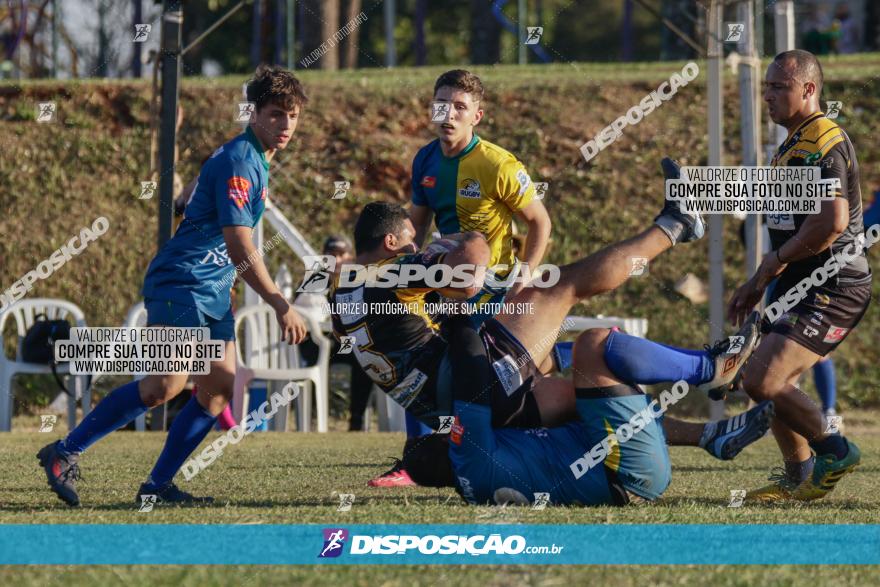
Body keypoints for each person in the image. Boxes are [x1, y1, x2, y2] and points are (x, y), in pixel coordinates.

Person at [329, 159, 771, 486]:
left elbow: (402, 327)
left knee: (594, 402)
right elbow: (466, 279)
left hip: (456, 405)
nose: (418, 250)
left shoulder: (340, 290)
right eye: (411, 244)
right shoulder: (390, 273)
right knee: (563, 288)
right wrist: (469, 238)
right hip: (472, 384)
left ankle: (709, 435)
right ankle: (676, 227)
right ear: (390, 243)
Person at [38, 66, 310, 507]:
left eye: (292, 116)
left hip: (210, 290)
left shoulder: (257, 160)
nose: (285, 125)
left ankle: (157, 486)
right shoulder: (241, 160)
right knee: (164, 385)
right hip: (180, 283)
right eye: (276, 114)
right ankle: (63, 452)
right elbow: (240, 244)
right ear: (254, 113)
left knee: (219, 387)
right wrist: (281, 303)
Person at [371, 69, 553, 485]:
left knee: (482, 374)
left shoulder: (497, 164)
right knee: (416, 362)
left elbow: (540, 223)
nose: (448, 113)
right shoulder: (425, 160)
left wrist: (524, 278)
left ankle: (488, 457)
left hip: (492, 288)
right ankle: (413, 463)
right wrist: (399, 266)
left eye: (460, 106)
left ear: (478, 116)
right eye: (442, 104)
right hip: (444, 280)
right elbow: (414, 226)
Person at [403, 315, 773, 506]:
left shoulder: (471, 484)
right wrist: (458, 316)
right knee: (593, 345)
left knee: (578, 401)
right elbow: (471, 369)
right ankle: (710, 369)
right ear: (444, 447)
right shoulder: (466, 451)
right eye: (433, 437)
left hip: (622, 476)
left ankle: (713, 436)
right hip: (625, 468)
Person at [728, 50, 869, 502]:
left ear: (808, 90)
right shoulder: (792, 145)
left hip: (834, 284)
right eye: (766, 86)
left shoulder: (823, 141)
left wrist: (769, 267)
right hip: (801, 283)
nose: (767, 96)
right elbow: (793, 229)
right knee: (758, 377)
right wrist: (757, 283)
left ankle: (836, 449)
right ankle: (800, 473)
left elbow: (830, 224)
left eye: (778, 87)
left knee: (763, 380)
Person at [296, 235, 374, 431]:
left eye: (342, 254)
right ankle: (312, 419)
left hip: (350, 342)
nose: (337, 260)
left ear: (351, 257)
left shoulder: (360, 279)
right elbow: (299, 312)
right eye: (332, 255)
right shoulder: (314, 279)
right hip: (319, 341)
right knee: (313, 359)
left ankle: (356, 420)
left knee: (366, 358)